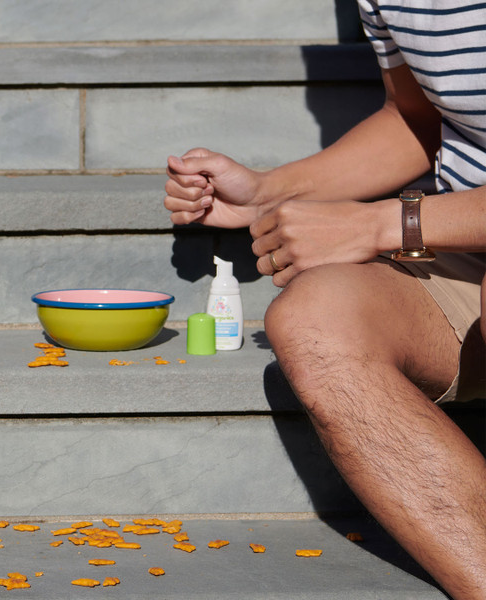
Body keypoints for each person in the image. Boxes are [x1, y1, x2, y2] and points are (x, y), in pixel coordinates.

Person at [165, 1, 485, 597]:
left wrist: (386, 224)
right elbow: (417, 117)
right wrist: (270, 193)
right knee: (317, 317)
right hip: (459, 243)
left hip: (432, 225)